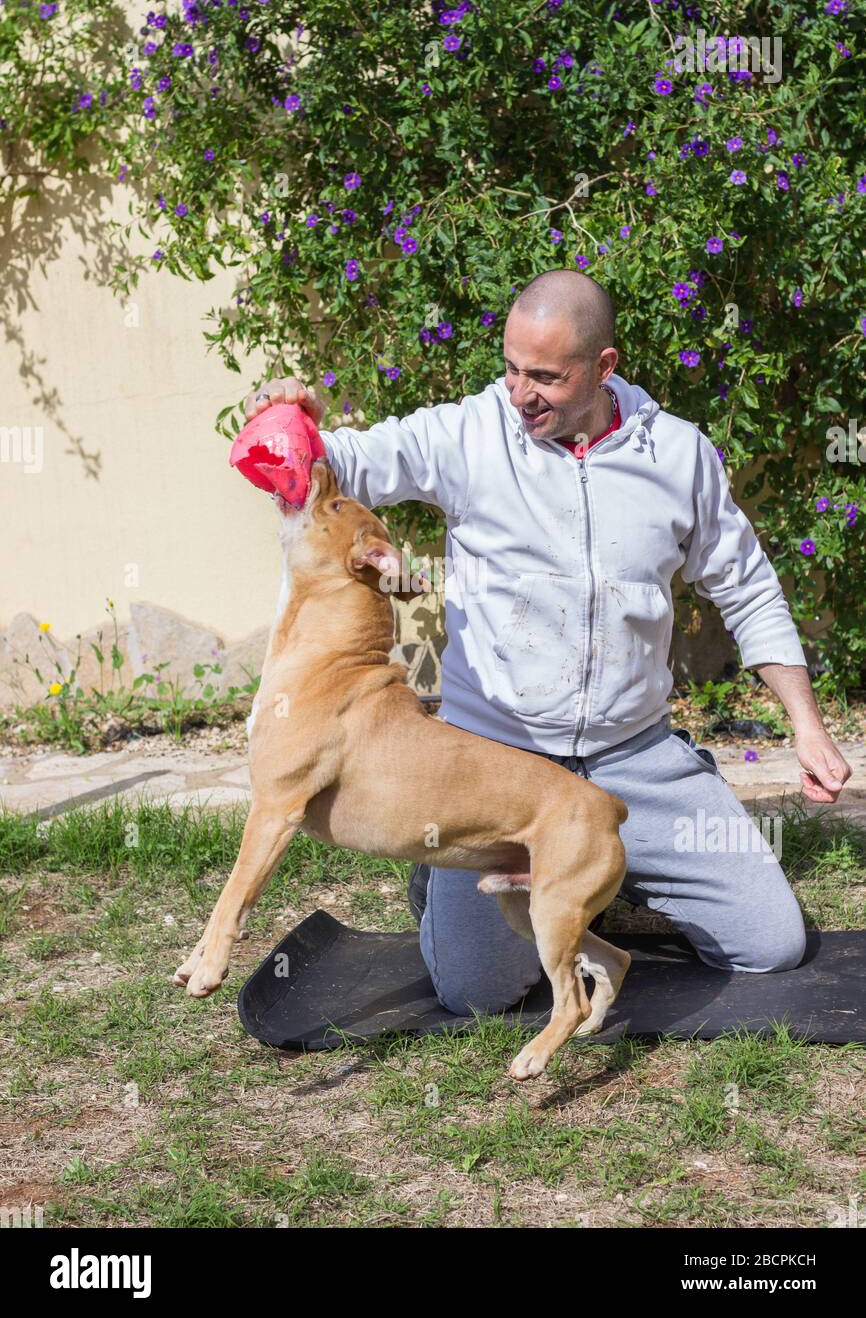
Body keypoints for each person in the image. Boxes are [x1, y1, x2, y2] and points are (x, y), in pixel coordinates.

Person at [242, 269, 852, 1015]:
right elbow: (338, 464)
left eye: (545, 377)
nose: (519, 391)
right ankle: (451, 873)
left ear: (604, 368)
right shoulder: (467, 434)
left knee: (772, 944)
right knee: (478, 993)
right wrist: (291, 422)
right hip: (493, 763)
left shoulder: (679, 456)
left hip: (635, 756)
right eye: (510, 367)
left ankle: (604, 863)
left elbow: (746, 586)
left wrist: (806, 725)